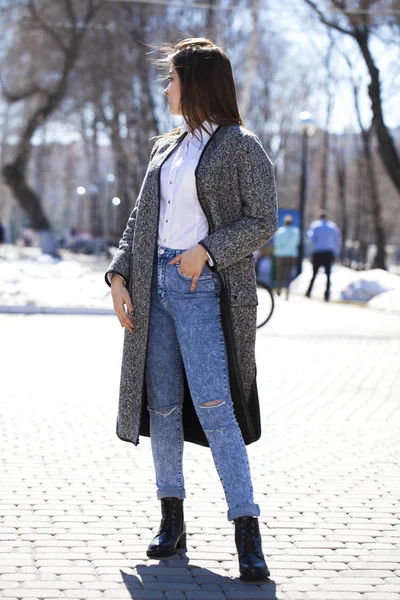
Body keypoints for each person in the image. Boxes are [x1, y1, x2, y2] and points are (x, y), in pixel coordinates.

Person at [105, 38, 278, 581]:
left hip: (202, 290)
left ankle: (246, 529)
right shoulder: (166, 149)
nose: (167, 88)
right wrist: (117, 275)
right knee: (160, 409)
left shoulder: (240, 146)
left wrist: (206, 251)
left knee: (214, 406)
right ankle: (171, 520)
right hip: (152, 288)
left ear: (198, 83)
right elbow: (139, 220)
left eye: (173, 78)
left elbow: (263, 220)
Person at [305, 210, 341, 301]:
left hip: (318, 252)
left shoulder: (315, 226)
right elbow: (337, 241)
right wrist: (336, 253)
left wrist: (310, 252)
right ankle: (327, 294)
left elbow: (310, 239)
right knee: (328, 275)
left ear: (319, 217)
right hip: (329, 253)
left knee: (314, 274)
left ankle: (309, 291)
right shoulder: (333, 227)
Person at [273, 215, 300, 299]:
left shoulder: (280, 231)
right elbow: (297, 243)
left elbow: (276, 244)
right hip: (291, 255)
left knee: (280, 273)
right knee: (288, 274)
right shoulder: (296, 231)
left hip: (280, 255)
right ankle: (287, 292)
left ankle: (279, 290)